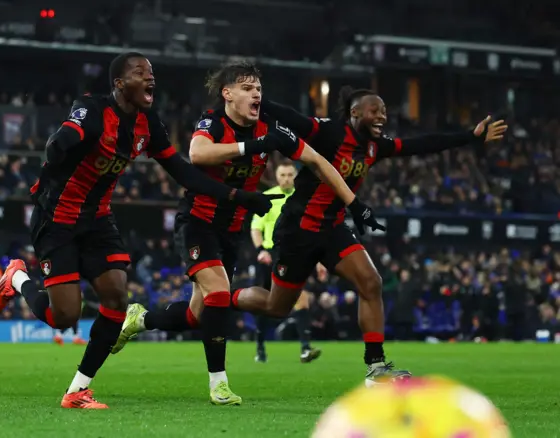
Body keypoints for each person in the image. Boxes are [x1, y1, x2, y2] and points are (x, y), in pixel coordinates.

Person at [0, 52, 281, 409]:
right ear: (120, 84)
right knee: (63, 316)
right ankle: (17, 279)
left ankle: (77, 391)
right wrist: (59, 145)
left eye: (152, 73)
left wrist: (237, 196)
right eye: (141, 73)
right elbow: (62, 139)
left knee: (116, 297)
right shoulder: (93, 111)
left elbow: (183, 172)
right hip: (58, 219)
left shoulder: (148, 124)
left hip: (98, 219)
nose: (150, 78)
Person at [110, 61, 384, 405]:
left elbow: (317, 161)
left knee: (198, 315)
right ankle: (218, 384)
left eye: (258, 88)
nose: (256, 93)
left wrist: (354, 203)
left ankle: (140, 319)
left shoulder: (270, 127)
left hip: (232, 229)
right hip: (198, 221)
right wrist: (253, 147)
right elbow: (197, 153)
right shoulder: (214, 122)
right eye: (247, 88)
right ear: (227, 94)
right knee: (220, 294)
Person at [227, 87, 507, 386]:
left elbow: (421, 144)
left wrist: (470, 136)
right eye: (375, 110)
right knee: (276, 307)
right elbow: (291, 117)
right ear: (354, 112)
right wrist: (257, 101)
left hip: (333, 228)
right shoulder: (329, 132)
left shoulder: (375, 146)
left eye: (384, 111)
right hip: (297, 230)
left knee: (370, 282)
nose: (382, 116)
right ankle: (224, 297)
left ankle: (376, 368)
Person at [250, 162, 320, 363]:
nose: (287, 178)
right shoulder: (269, 197)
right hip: (270, 254)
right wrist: (260, 250)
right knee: (265, 303)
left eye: (290, 174)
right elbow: (256, 228)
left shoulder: (304, 197)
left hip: (295, 253)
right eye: (283, 174)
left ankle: (306, 348)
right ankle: (260, 347)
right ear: (277, 176)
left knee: (302, 297)